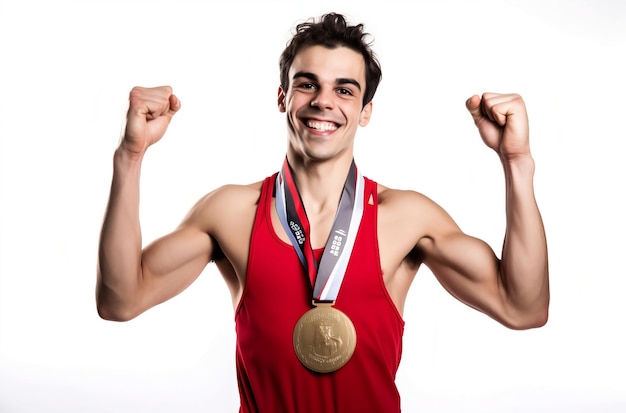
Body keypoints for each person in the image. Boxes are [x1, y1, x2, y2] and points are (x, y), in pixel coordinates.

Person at [96, 12, 549, 413]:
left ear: (365, 111)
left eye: (345, 90)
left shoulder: (406, 218)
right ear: (282, 97)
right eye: (307, 83)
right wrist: (130, 157)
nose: (323, 102)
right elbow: (121, 300)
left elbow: (523, 308)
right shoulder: (231, 213)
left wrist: (517, 163)